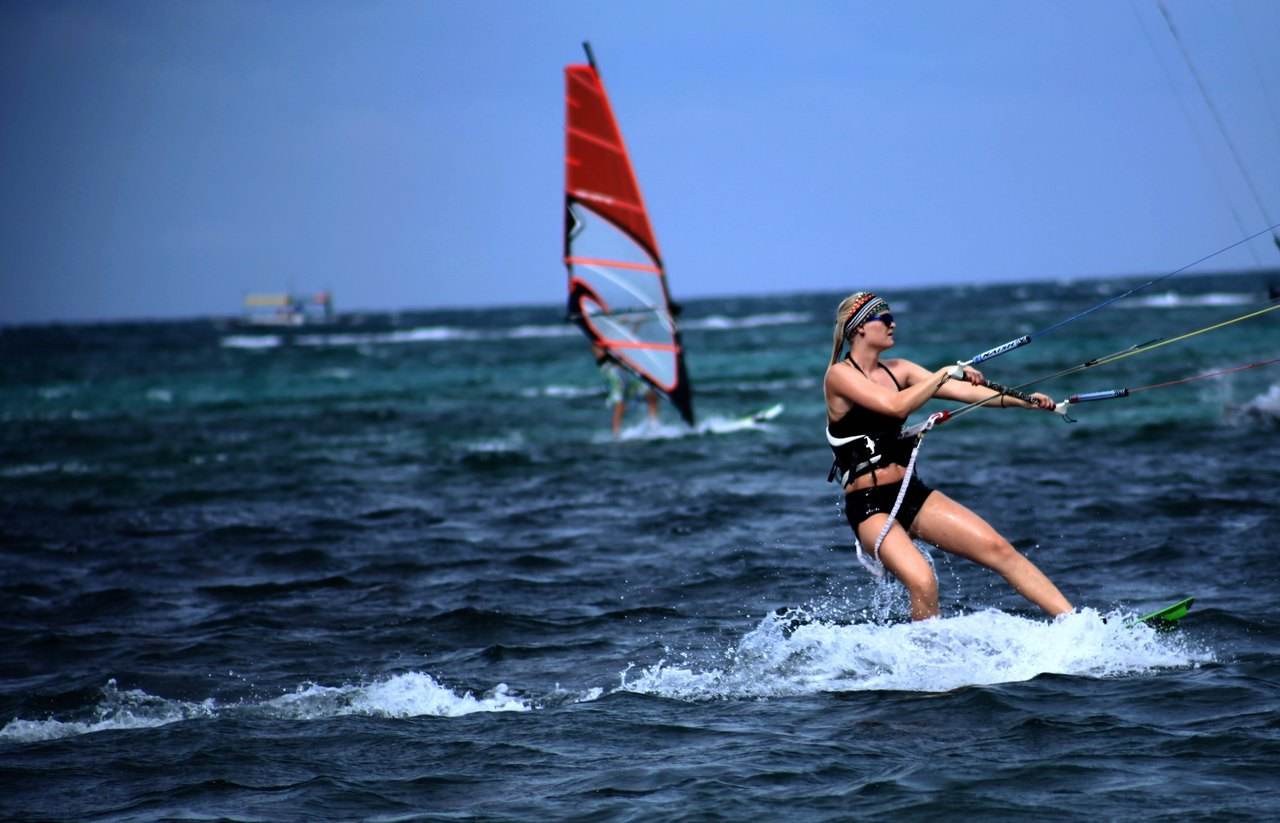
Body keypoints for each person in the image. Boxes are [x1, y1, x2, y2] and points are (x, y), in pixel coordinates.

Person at [824, 291, 1073, 621]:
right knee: (922, 580)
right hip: (869, 506)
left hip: (910, 493)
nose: (892, 324)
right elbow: (895, 405)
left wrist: (1026, 400)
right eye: (884, 319)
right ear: (860, 329)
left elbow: (970, 393)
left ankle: (1077, 623)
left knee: (998, 549)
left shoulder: (900, 370)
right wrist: (943, 373)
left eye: (891, 318)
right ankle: (926, 662)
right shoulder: (839, 376)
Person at [592, 342, 658, 436]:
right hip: (614, 379)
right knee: (620, 405)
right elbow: (599, 353)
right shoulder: (599, 344)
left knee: (650, 393)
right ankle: (616, 434)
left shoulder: (614, 341)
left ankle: (654, 425)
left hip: (625, 380)